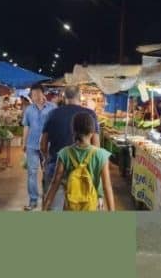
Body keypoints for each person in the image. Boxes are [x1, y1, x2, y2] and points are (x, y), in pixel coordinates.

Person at [40, 85, 99, 211]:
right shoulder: (90, 114)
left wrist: (46, 159)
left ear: (64, 97)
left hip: (54, 168)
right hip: (84, 174)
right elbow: (96, 146)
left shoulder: (52, 114)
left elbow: (43, 144)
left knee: (54, 210)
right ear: (80, 96)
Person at [41, 112, 115, 211]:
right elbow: (107, 186)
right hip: (92, 206)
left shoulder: (64, 153)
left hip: (71, 205)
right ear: (92, 132)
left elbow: (55, 183)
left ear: (73, 131)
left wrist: (45, 207)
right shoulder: (101, 155)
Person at [21, 83, 55, 211]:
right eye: (32, 94)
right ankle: (33, 200)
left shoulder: (52, 108)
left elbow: (55, 126)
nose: (34, 97)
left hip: (48, 146)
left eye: (36, 94)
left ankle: (48, 198)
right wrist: (23, 143)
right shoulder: (29, 109)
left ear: (43, 93)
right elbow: (26, 127)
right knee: (32, 173)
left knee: (48, 172)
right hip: (32, 145)